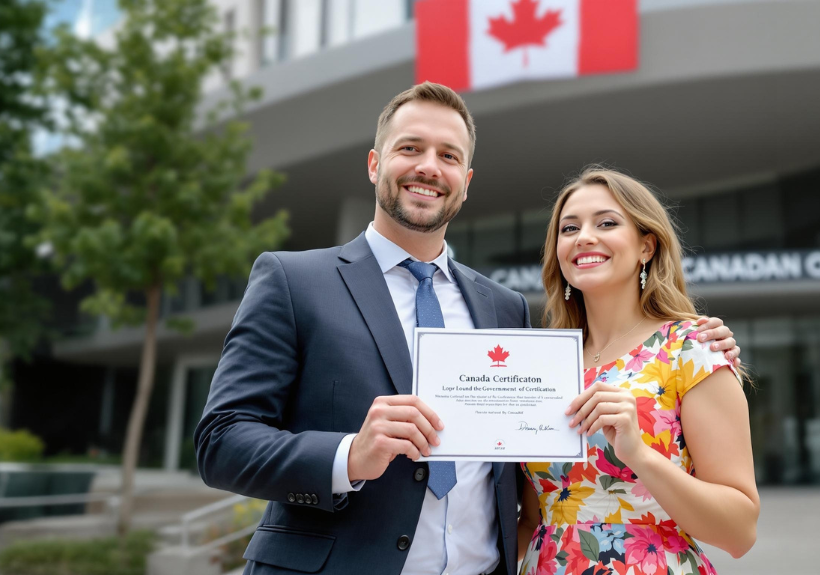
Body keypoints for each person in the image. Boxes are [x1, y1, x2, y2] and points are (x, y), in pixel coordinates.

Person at [195, 83, 741, 575]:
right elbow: (221, 441)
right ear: (374, 164)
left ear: (466, 180)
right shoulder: (294, 280)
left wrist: (693, 347)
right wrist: (348, 456)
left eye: (448, 156)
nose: (429, 167)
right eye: (410, 148)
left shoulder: (505, 310)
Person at [516, 168, 759, 575]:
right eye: (569, 228)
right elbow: (530, 518)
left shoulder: (692, 349)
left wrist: (639, 454)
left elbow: (740, 532)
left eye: (607, 223)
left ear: (647, 246)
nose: (584, 237)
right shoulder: (545, 362)